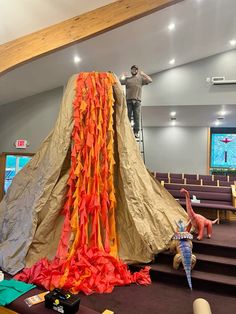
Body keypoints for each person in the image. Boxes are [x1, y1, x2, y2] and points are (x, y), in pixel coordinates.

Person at [120, 65, 152, 138]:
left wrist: (144, 74)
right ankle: (127, 131)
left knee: (136, 117)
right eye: (132, 69)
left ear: (137, 71)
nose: (134, 71)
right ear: (131, 71)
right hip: (128, 101)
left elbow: (150, 80)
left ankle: (136, 132)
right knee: (127, 116)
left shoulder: (140, 79)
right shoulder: (128, 79)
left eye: (135, 69)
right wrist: (122, 76)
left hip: (137, 101)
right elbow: (119, 82)